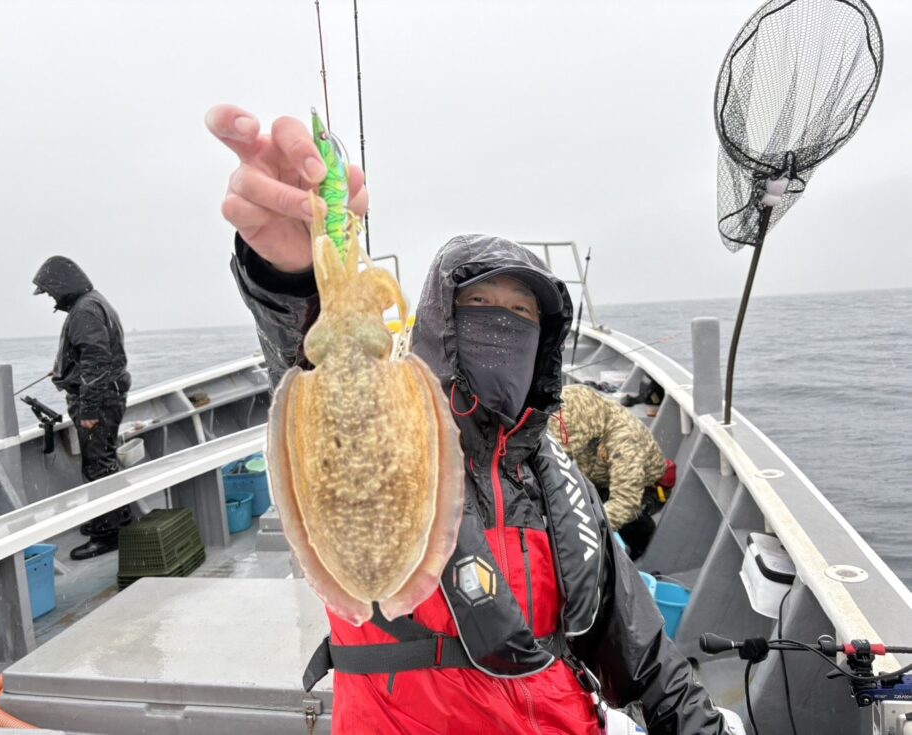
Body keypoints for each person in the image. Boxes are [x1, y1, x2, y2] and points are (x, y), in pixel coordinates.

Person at [207, 104, 730, 734]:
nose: (501, 323)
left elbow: (645, 662)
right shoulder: (407, 427)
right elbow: (310, 353)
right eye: (479, 303)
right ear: (440, 325)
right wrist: (291, 273)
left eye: (522, 314)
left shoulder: (562, 487)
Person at [32, 256, 132, 560]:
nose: (51, 298)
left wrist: (88, 410)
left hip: (99, 401)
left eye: (50, 292)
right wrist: (65, 370)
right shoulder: (93, 302)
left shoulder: (85, 310)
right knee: (103, 461)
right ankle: (114, 522)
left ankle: (108, 534)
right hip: (106, 395)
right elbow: (91, 356)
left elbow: (96, 361)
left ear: (63, 285)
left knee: (98, 466)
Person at [550, 383, 675, 560]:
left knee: (631, 520)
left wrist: (581, 530)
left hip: (643, 489)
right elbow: (559, 455)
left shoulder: (625, 441)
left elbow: (626, 502)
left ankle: (639, 553)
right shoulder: (580, 413)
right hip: (601, 479)